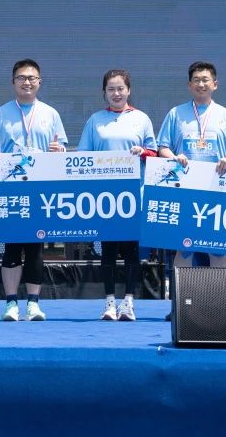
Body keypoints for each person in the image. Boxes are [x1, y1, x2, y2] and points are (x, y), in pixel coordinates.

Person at [0, 59, 68, 321]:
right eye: (21, 78)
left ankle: (33, 303)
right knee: (11, 247)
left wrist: (60, 150)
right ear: (13, 82)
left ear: (39, 82)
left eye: (32, 78)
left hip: (40, 189)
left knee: (35, 247)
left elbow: (62, 150)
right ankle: (10, 303)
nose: (27, 82)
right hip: (10, 188)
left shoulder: (51, 114)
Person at [77, 69, 157, 321]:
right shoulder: (95, 120)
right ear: (104, 92)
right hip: (104, 195)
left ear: (129, 90)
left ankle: (129, 302)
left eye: (120, 88)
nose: (116, 93)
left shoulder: (141, 119)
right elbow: (82, 155)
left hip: (134, 194)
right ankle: (110, 302)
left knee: (132, 250)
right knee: (108, 250)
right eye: (111, 89)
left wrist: (142, 152)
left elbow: (154, 153)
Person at [157, 61, 226, 272]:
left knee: (217, 250)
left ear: (215, 84)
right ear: (189, 85)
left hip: (217, 191)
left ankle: (219, 294)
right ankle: (182, 294)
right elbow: (162, 148)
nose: (201, 84)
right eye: (196, 80)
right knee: (184, 248)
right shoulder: (176, 113)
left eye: (205, 80)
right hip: (185, 191)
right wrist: (174, 157)